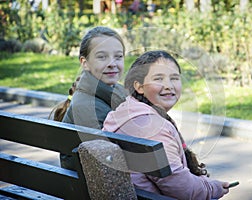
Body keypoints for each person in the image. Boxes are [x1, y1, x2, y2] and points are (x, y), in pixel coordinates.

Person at [103, 50, 230, 200]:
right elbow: (184, 189)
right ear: (139, 87)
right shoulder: (151, 127)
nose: (168, 85)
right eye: (158, 79)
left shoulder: (124, 112)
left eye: (174, 78)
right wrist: (213, 187)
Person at [50, 26, 128, 170]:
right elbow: (109, 164)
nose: (112, 63)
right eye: (102, 57)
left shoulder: (117, 90)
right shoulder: (87, 108)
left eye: (118, 56)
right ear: (85, 63)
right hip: (94, 187)